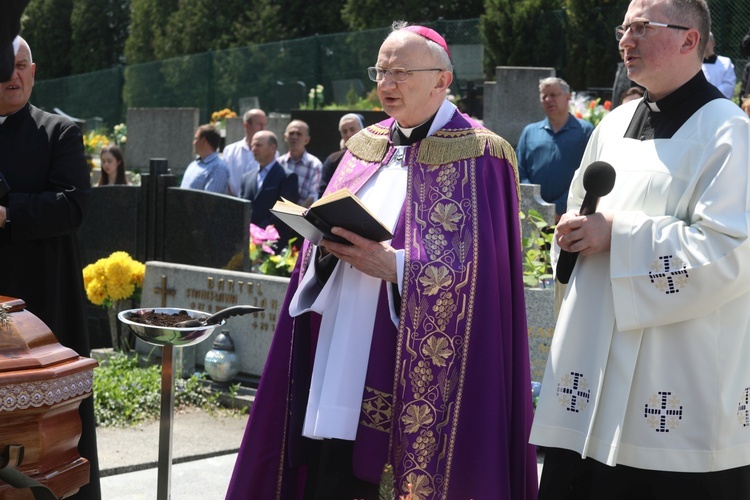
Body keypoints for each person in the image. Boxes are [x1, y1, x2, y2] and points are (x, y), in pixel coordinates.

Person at [226, 21, 537, 500]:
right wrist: (320, 244)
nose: (386, 85)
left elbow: (486, 278)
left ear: (442, 79)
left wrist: (396, 268)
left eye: (401, 73)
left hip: (410, 355)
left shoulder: (483, 154)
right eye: (381, 72)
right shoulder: (363, 146)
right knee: (332, 466)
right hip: (339, 340)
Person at [531, 1, 750, 498]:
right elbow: (578, 211)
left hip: (674, 377)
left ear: (690, 40)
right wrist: (573, 235)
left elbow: (732, 249)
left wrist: (619, 235)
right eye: (623, 29)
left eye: (641, 28)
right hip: (590, 370)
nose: (625, 41)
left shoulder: (728, 131)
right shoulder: (613, 123)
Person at [0, 36, 100, 499]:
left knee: (53, 440)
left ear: (34, 72)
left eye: (23, 66)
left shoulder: (59, 132)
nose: (14, 76)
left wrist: (8, 214)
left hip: (41, 310)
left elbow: (73, 206)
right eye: (7, 66)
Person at [516, 77, 594, 222]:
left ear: (568, 97)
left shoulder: (585, 131)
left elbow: (587, 172)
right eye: (544, 96)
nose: (548, 99)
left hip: (570, 214)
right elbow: (519, 170)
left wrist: (559, 207)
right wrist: (533, 204)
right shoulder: (530, 132)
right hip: (532, 216)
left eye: (553, 95)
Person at [239, 130, 299, 246]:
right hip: (247, 242)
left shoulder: (287, 177)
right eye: (252, 145)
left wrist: (261, 232)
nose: (254, 149)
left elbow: (284, 212)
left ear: (272, 148)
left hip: (273, 243)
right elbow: (241, 209)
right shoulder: (246, 178)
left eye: (258, 145)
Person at [317, 113, 364, 198]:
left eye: (352, 129)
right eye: (344, 131)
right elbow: (323, 192)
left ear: (362, 129)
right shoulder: (333, 160)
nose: (349, 134)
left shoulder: (376, 155)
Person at [223, 108, 268, 197]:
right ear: (247, 126)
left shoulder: (271, 152)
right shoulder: (230, 151)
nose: (263, 128)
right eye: (259, 124)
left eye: (265, 124)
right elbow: (224, 179)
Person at [277, 119, 321, 207]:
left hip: (301, 217)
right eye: (291, 133)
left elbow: (313, 196)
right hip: (277, 216)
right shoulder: (279, 162)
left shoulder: (315, 165)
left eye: (299, 134)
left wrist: (295, 215)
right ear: (285, 137)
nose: (294, 137)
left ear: (307, 140)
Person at [180, 124, 230, 193]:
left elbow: (209, 200)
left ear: (204, 141)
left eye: (196, 139)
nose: (193, 143)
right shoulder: (193, 165)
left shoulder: (219, 168)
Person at [701, 31, 736, 99]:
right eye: (701, 41)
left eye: (706, 41)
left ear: (713, 43)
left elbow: (729, 86)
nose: (703, 44)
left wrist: (709, 94)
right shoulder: (695, 64)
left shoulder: (726, 62)